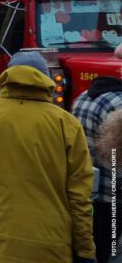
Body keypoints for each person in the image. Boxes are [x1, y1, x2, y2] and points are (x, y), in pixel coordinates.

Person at [0, 51, 96, 263]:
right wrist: (85, 249)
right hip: (49, 245)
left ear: (7, 77)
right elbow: (79, 195)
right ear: (45, 79)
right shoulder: (65, 123)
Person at [72, 76, 122, 263]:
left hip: (86, 191)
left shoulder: (82, 98)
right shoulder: (119, 103)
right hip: (113, 194)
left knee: (90, 247)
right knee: (110, 250)